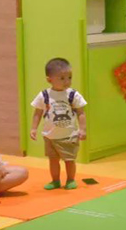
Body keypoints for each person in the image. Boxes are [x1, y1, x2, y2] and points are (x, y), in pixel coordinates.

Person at [30, 58, 88, 190]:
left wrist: (82, 129)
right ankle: (55, 180)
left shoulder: (73, 95)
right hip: (50, 136)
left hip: (69, 135)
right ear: (49, 79)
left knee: (69, 160)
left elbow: (81, 113)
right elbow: (37, 113)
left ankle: (70, 179)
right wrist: (33, 129)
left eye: (69, 77)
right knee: (53, 160)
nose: (67, 81)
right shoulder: (44, 95)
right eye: (62, 78)